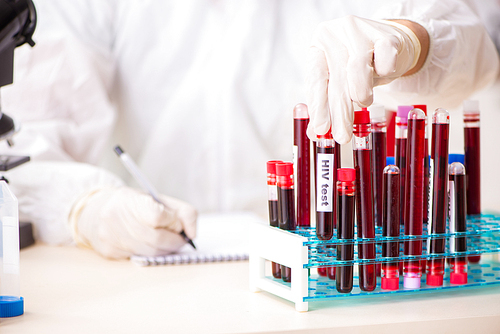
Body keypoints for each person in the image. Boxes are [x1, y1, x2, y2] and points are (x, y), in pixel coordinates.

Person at [1, 0, 498, 259]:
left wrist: (414, 38)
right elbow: (27, 133)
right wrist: (84, 206)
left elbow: (480, 40)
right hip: (154, 265)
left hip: (327, 260)